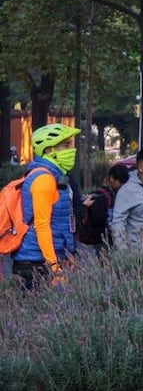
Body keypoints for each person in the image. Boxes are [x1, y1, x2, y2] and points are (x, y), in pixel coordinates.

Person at [11, 123, 80, 288]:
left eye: (71, 144)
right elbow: (42, 226)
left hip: (45, 260)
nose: (72, 149)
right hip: (36, 264)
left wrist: (66, 253)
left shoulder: (54, 176)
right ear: (48, 150)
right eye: (66, 145)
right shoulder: (44, 179)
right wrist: (55, 268)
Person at [81, 163, 129, 251]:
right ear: (111, 178)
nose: (122, 186)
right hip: (101, 240)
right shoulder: (101, 196)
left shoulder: (114, 194)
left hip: (108, 238)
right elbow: (97, 219)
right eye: (120, 182)